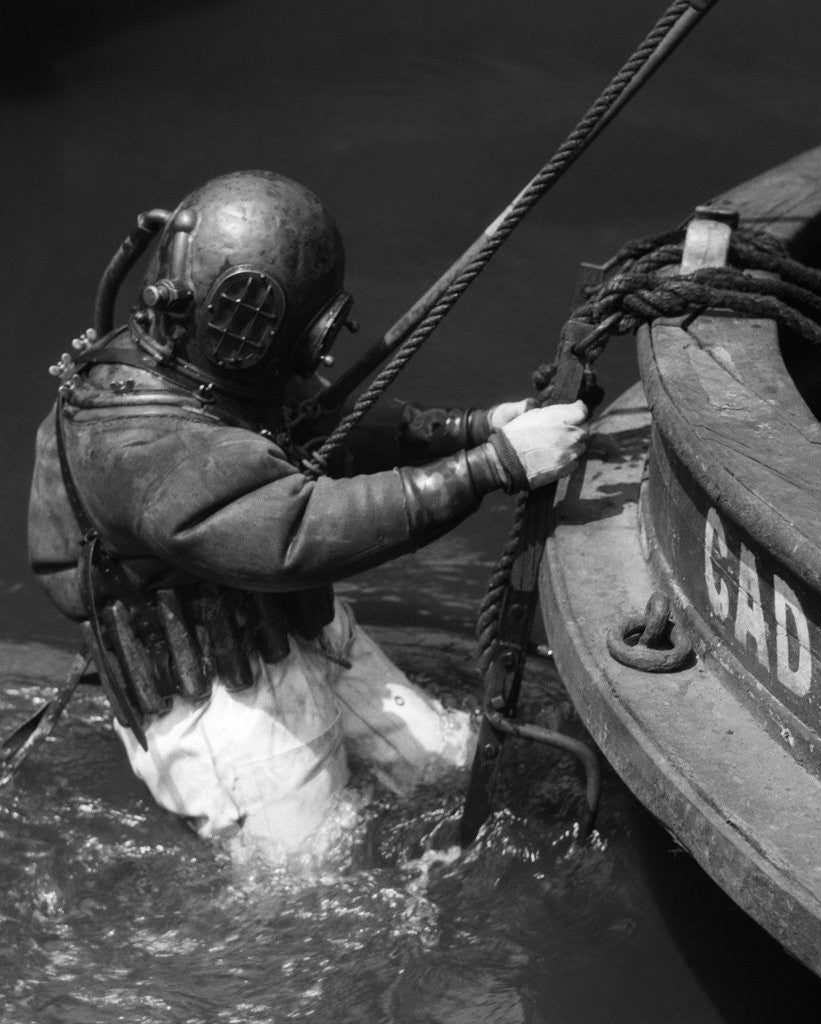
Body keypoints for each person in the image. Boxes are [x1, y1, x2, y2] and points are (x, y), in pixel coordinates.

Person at [28, 170, 588, 864]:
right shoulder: (138, 446)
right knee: (312, 883)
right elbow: (294, 530)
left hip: (290, 626)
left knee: (451, 769)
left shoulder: (202, 363)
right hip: (214, 703)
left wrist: (471, 429)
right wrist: (492, 466)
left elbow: (311, 418)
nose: (315, 355)